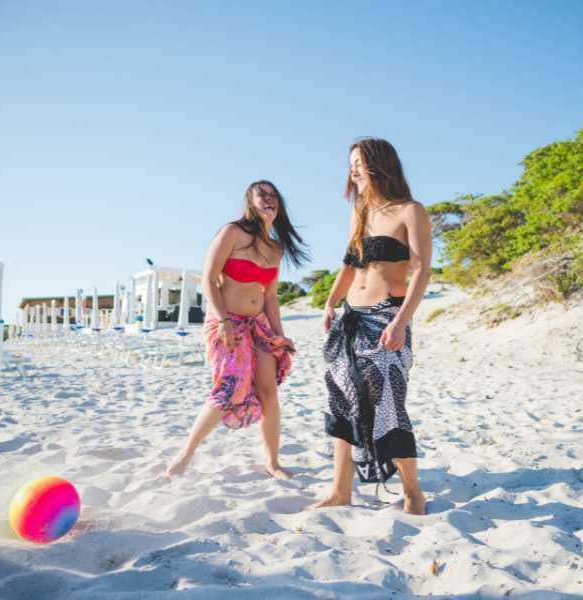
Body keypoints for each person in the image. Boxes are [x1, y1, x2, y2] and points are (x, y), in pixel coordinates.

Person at [313, 138, 431, 515]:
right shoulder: (360, 213)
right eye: (351, 163)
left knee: (389, 405)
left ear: (380, 164)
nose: (354, 170)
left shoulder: (410, 211)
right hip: (350, 319)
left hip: (386, 318)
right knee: (343, 400)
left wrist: (401, 321)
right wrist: (331, 302)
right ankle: (340, 490)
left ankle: (413, 492)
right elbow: (349, 265)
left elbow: (421, 271)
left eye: (360, 162)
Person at [166, 180, 308, 479]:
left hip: (259, 326)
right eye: (263, 195)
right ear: (250, 201)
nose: (269, 200)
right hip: (226, 320)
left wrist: (279, 335)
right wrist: (224, 320)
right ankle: (186, 453)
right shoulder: (232, 232)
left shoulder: (275, 248)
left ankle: (273, 462)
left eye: (274, 196)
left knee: (269, 391)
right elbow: (208, 279)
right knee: (229, 388)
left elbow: (269, 296)